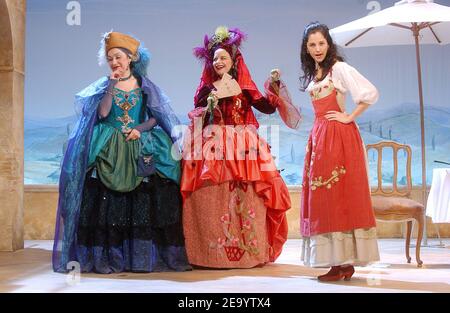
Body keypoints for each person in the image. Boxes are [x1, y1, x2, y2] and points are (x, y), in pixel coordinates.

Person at [52, 31, 191, 273]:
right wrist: (111, 85)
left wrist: (139, 128)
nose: (114, 62)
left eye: (118, 57)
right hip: (109, 145)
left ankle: (138, 257)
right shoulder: (105, 86)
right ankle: (107, 255)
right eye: (110, 58)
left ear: (131, 58)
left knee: (143, 197)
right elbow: (104, 114)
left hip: (138, 143)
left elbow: (155, 119)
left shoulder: (146, 86)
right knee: (105, 203)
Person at [181, 26, 301, 268]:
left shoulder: (244, 87)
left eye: (223, 57)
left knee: (247, 194)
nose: (218, 62)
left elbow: (266, 107)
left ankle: (248, 253)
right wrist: (208, 107)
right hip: (213, 145)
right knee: (212, 194)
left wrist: (275, 86)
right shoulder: (206, 88)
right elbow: (197, 114)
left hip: (243, 144)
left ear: (234, 60)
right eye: (215, 58)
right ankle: (210, 254)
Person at [299, 22, 380, 281]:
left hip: (340, 139)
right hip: (321, 138)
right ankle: (339, 262)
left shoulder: (339, 69)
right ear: (306, 48)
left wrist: (349, 117)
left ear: (329, 44)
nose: (317, 48)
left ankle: (343, 263)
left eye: (321, 43)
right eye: (312, 44)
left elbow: (369, 94)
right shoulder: (316, 73)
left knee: (339, 196)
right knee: (325, 198)